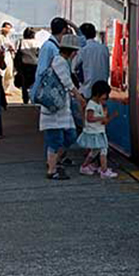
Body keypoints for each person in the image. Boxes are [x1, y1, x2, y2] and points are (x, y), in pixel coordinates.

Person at [39, 34, 84, 180]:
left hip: (61, 109)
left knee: (70, 135)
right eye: (75, 51)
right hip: (53, 109)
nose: (76, 53)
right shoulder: (60, 61)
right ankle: (52, 170)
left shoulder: (62, 60)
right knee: (55, 139)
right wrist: (78, 96)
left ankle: (54, 161)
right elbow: (66, 81)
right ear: (71, 51)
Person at [76, 80, 118, 178]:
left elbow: (104, 121)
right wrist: (101, 117)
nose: (106, 98)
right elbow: (89, 118)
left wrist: (111, 116)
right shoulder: (91, 104)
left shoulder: (98, 104)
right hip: (95, 132)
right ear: (98, 93)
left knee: (95, 151)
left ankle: (84, 166)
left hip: (99, 131)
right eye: (104, 95)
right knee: (103, 150)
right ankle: (104, 171)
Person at [31, 17, 71, 102]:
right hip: (46, 92)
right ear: (64, 30)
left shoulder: (50, 46)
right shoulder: (49, 47)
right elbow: (42, 71)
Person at [72, 23, 110, 100]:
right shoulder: (104, 48)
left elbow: (73, 68)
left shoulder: (83, 49)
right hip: (103, 91)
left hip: (87, 91)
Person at [14, 27, 41, 103]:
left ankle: (25, 99)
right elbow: (38, 53)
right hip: (34, 65)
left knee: (24, 84)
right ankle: (34, 98)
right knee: (35, 83)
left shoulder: (20, 42)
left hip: (23, 65)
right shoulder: (36, 42)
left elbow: (17, 53)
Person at [0, 21, 16, 96]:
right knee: (2, 73)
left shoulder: (9, 37)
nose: (8, 30)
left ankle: (6, 89)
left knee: (9, 73)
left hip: (9, 55)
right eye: (7, 28)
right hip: (2, 55)